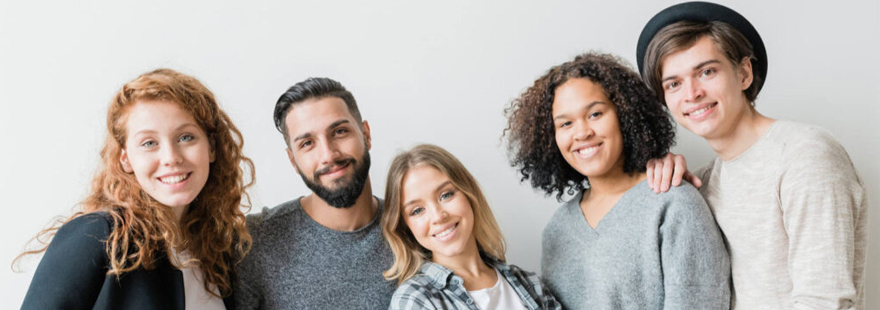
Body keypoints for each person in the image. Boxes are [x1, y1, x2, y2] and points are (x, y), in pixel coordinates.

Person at [636, 2, 868, 308]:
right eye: (674, 84)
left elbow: (825, 300)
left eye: (706, 71)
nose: (691, 94)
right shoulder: (702, 182)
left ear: (744, 73)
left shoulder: (805, 155)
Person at [503, 52, 730, 309]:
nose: (582, 132)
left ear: (625, 115)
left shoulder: (674, 203)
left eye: (595, 114)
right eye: (565, 124)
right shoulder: (557, 230)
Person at [17, 68, 255, 310]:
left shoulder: (218, 252)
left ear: (212, 148)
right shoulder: (99, 235)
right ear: (126, 159)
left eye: (186, 137)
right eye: (149, 143)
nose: (171, 157)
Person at [233, 77, 395, 309]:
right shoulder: (253, 242)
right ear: (293, 160)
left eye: (339, 131)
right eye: (307, 143)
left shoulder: (418, 227)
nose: (328, 154)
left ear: (365, 134)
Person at [382, 144, 560, 310]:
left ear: (469, 194)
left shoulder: (530, 284)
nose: (438, 216)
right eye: (417, 210)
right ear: (406, 227)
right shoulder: (414, 300)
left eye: (446, 195)